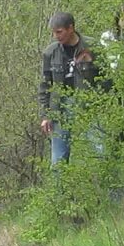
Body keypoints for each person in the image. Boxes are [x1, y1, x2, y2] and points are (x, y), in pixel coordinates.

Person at [39, 12, 104, 165]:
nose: (56, 36)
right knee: (58, 160)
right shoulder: (50, 52)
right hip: (60, 108)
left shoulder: (92, 47)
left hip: (89, 106)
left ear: (71, 28)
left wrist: (103, 104)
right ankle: (59, 189)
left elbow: (105, 79)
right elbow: (45, 85)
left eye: (59, 32)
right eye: (54, 32)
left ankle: (104, 188)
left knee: (100, 154)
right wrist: (45, 115)